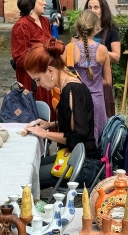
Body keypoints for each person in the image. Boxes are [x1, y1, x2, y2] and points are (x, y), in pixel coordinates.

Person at [24, 39, 101, 190]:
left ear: (50, 70)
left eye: (38, 79)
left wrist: (44, 134)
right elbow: (76, 124)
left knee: (28, 177)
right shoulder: (69, 83)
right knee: (30, 166)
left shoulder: (72, 90)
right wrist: (49, 125)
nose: (38, 85)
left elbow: (77, 136)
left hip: (84, 165)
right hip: (77, 158)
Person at [67, 10, 111, 142]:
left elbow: (64, 77)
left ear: (78, 28)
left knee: (78, 138)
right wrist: (95, 82)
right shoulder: (102, 50)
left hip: (76, 100)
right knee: (97, 140)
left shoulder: (69, 49)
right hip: (96, 100)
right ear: (95, 28)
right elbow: (108, 81)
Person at [12, 0, 55, 120]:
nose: (45, 3)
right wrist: (43, 59)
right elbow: (20, 57)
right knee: (34, 115)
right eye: (42, 0)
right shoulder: (22, 25)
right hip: (32, 81)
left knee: (50, 114)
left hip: (49, 77)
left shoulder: (45, 21)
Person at [85, 0, 120, 118]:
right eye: (89, 7)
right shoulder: (81, 31)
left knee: (104, 115)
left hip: (103, 80)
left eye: (96, 7)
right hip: (84, 80)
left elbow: (116, 57)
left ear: (103, 10)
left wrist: (101, 50)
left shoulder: (112, 31)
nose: (92, 10)